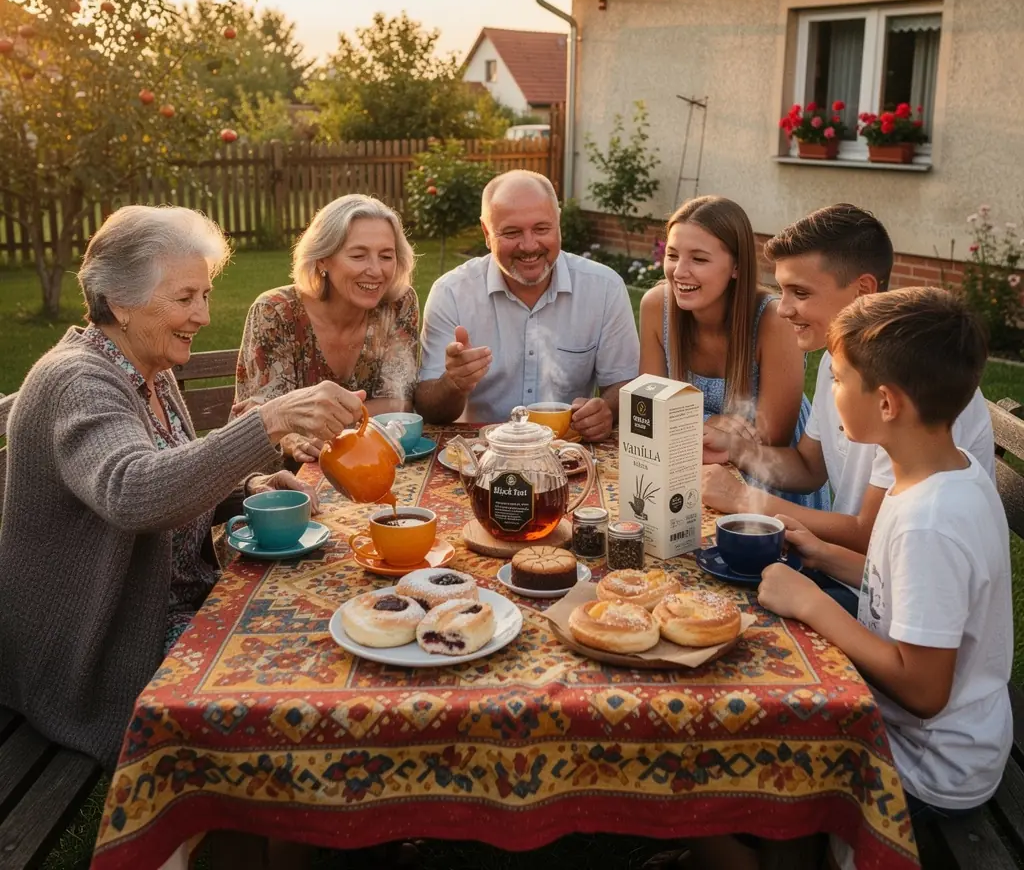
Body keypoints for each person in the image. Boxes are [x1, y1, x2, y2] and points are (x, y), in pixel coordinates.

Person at [0, 206, 365, 770]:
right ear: (119, 301)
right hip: (105, 650)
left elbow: (173, 473)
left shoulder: (147, 365)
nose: (202, 314)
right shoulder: (76, 379)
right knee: (291, 687)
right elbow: (133, 492)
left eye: (206, 295)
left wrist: (249, 487)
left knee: (331, 624)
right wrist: (268, 423)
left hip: (179, 605)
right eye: (185, 297)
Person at [758, 287, 1011, 844]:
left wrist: (812, 603)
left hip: (933, 769)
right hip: (932, 739)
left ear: (888, 403)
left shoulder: (931, 521)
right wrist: (823, 554)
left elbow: (923, 689)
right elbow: (899, 587)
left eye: (841, 379)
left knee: (749, 760)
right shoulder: (942, 470)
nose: (831, 389)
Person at [702, 203, 994, 553]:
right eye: (782, 291)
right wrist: (734, 447)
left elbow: (869, 533)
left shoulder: (913, 387)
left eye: (801, 292)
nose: (783, 309)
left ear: (863, 290)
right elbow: (809, 468)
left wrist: (742, 499)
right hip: (847, 568)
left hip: (871, 584)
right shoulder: (835, 362)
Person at [415, 170, 638, 441]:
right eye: (512, 232)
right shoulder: (451, 293)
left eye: (542, 229)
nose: (530, 245)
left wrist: (607, 410)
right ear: (487, 233)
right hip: (480, 455)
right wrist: (453, 383)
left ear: (559, 222)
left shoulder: (604, 288)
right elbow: (429, 409)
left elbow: (624, 384)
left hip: (565, 451)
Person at [640, 196, 828, 510]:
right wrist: (713, 422)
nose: (679, 271)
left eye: (699, 259)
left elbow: (771, 439)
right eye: (672, 255)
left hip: (767, 483)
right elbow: (646, 408)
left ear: (737, 267)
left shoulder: (772, 320)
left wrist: (685, 422)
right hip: (689, 464)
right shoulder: (655, 306)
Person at [235, 194, 419, 463]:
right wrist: (294, 432)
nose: (376, 270)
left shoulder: (398, 304)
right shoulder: (275, 312)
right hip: (285, 477)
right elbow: (264, 421)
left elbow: (397, 403)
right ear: (322, 259)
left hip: (366, 461)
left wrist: (315, 422)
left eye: (386, 256)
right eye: (358, 255)